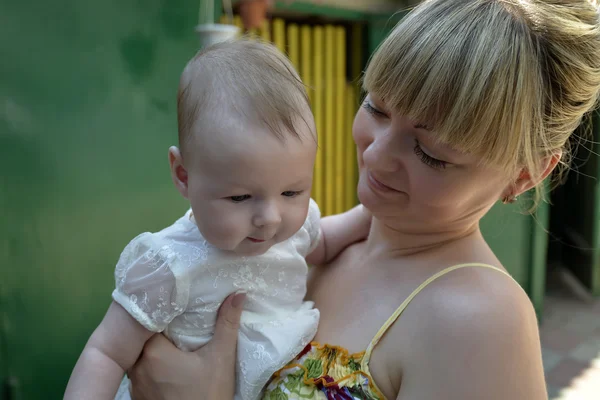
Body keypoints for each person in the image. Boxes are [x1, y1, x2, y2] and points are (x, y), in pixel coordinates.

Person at [123, 0, 600, 399]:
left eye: (431, 153)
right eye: (376, 106)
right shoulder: (325, 238)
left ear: (526, 174)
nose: (376, 153)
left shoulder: (479, 322)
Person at [64, 39, 371, 400]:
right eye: (240, 197)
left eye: (292, 192)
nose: (270, 219)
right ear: (183, 175)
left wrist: (373, 214)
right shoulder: (170, 266)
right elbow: (105, 353)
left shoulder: (293, 232)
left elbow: (327, 240)